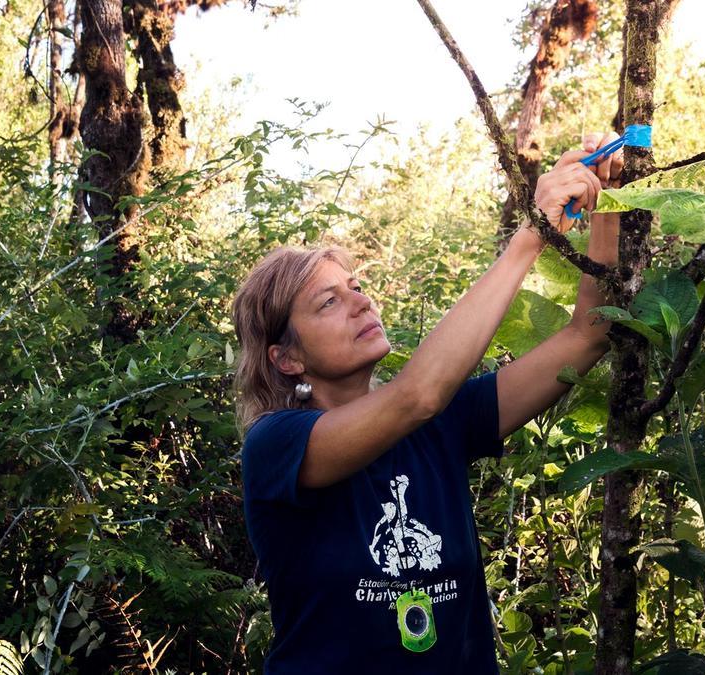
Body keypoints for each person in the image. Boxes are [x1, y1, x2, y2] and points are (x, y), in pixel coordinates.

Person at [231, 131, 623, 673]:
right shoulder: (276, 445)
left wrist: (610, 198)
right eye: (329, 301)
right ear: (286, 359)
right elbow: (417, 394)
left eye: (355, 286)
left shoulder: (445, 423)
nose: (361, 301)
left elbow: (588, 335)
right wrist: (530, 234)